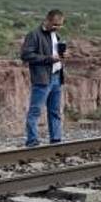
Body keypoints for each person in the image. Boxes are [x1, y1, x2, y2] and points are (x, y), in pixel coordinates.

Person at [20, 9, 66, 146]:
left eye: (60, 25)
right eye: (55, 24)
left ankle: (56, 140)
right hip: (42, 78)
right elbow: (26, 55)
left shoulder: (56, 36)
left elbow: (55, 55)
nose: (57, 27)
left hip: (56, 77)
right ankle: (32, 141)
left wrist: (61, 56)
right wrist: (48, 59)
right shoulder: (34, 35)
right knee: (35, 111)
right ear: (47, 20)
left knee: (55, 111)